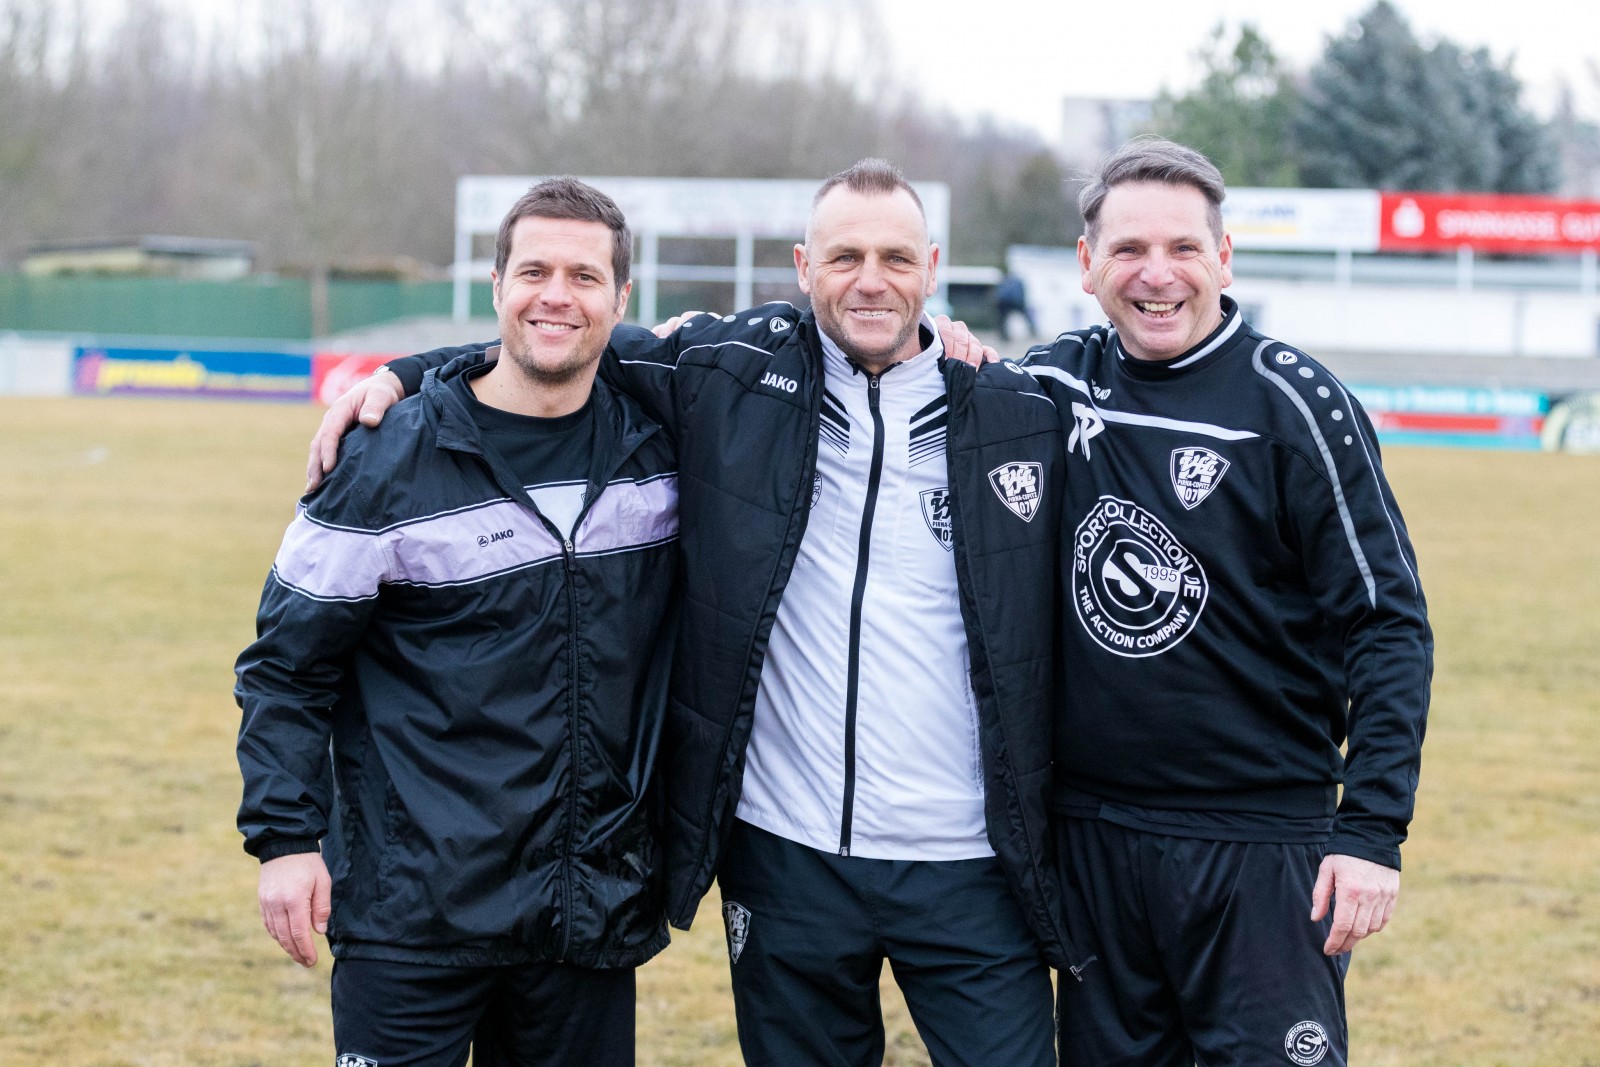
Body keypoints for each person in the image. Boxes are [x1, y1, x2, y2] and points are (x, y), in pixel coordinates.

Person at [309, 159, 1085, 1066]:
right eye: (843, 257)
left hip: (969, 861)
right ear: (802, 266)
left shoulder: (1016, 413)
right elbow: (559, 339)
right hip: (787, 853)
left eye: (894, 257)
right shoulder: (730, 373)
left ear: (932, 265)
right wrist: (403, 375)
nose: (869, 280)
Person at [235, 178, 680, 1067]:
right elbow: (286, 665)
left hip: (582, 910)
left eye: (585, 277)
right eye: (535, 271)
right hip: (412, 912)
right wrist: (285, 839)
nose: (557, 295)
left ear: (622, 300)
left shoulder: (662, 444)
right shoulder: (384, 458)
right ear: (496, 284)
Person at [1020, 137, 1431, 1066]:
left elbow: (1389, 624)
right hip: (1092, 842)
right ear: (1087, 266)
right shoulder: (1050, 385)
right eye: (1127, 250)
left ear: (1224, 258)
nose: (1155, 274)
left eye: (1182, 248)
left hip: (1261, 842)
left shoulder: (1295, 404)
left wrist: (1370, 829)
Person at [994, 270, 1036, 343]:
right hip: (1016, 301)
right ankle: (1033, 331)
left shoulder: (1004, 281)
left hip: (1005, 302)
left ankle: (1004, 336)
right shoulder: (1017, 281)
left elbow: (999, 293)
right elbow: (1022, 292)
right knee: (1026, 317)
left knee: (1002, 320)